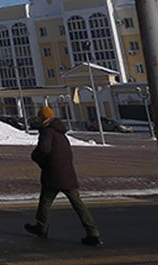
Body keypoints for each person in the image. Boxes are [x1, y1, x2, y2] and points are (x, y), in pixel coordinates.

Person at [25, 105, 102, 246]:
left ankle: (41, 228)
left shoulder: (47, 132)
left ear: (43, 118)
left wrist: (36, 158)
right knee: (78, 204)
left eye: (39, 117)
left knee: (45, 202)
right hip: (67, 173)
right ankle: (93, 232)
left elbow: (43, 149)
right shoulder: (60, 132)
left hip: (53, 173)